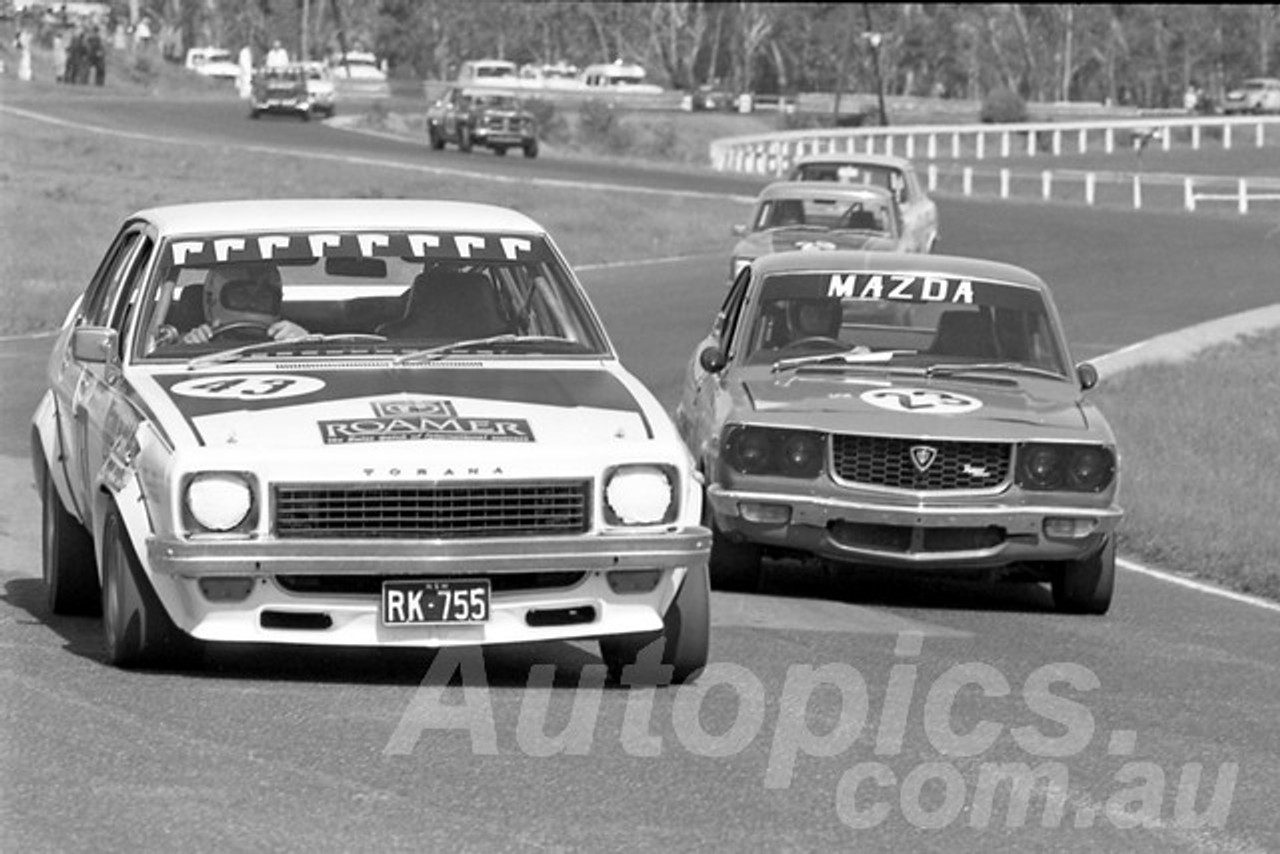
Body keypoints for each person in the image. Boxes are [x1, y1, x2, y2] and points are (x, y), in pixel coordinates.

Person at [181, 261, 307, 344]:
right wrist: (187, 346)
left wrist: (307, 343)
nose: (252, 304)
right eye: (241, 295)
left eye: (263, 296)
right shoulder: (198, 341)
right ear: (211, 300)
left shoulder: (291, 341)